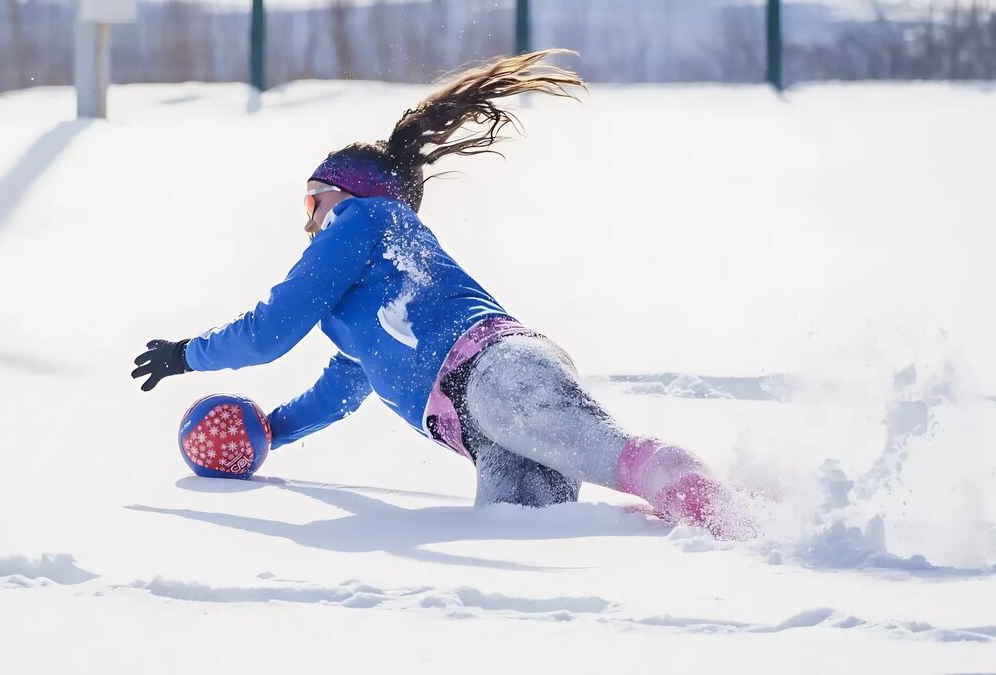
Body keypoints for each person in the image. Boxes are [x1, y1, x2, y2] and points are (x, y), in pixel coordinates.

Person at [132, 50, 752, 539]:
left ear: (347, 195)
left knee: (611, 457)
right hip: (480, 426)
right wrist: (271, 429)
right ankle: (712, 529)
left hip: (492, 370)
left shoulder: (366, 223)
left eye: (312, 201)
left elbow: (271, 331)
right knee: (526, 528)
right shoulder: (373, 306)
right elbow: (341, 392)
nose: (309, 222)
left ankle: (748, 527)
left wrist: (189, 354)